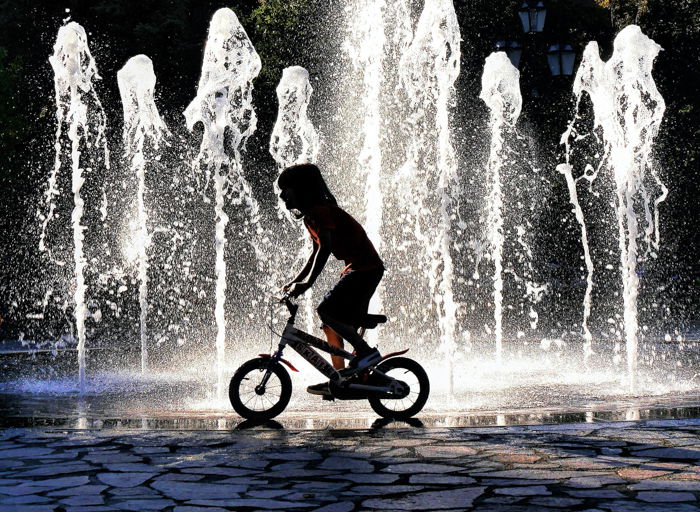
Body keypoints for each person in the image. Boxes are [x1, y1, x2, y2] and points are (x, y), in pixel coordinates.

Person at [278, 163, 384, 396]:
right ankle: (338, 379)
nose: (282, 195)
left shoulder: (320, 212)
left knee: (326, 310)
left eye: (286, 189)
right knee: (330, 324)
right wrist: (296, 280)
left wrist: (307, 284)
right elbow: (315, 252)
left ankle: (366, 352)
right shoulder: (310, 218)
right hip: (357, 269)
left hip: (365, 269)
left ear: (302, 190)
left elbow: (325, 249)